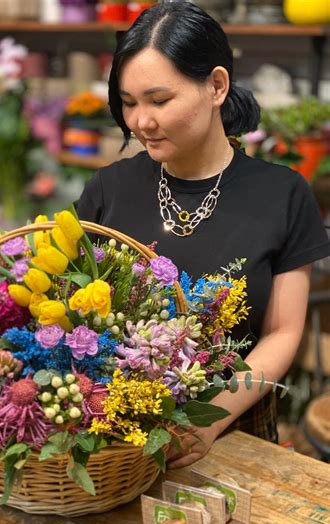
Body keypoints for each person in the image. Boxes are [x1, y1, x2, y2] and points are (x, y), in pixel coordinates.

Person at [75, 0, 330, 468]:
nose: (140, 122)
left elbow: (281, 332)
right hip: (113, 444)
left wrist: (208, 421)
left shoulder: (282, 194)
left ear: (216, 86)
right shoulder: (108, 189)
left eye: (159, 100)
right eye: (129, 104)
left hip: (231, 435)